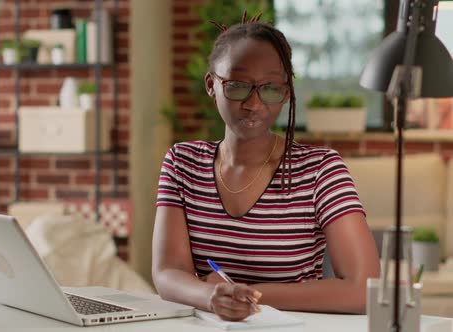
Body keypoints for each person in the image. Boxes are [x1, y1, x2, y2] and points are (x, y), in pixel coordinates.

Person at [152, 13, 380, 321]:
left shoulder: (321, 171)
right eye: (237, 85)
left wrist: (241, 294)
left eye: (270, 88)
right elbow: (168, 271)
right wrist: (211, 297)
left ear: (286, 92)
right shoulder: (182, 164)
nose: (254, 104)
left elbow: (363, 289)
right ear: (211, 85)